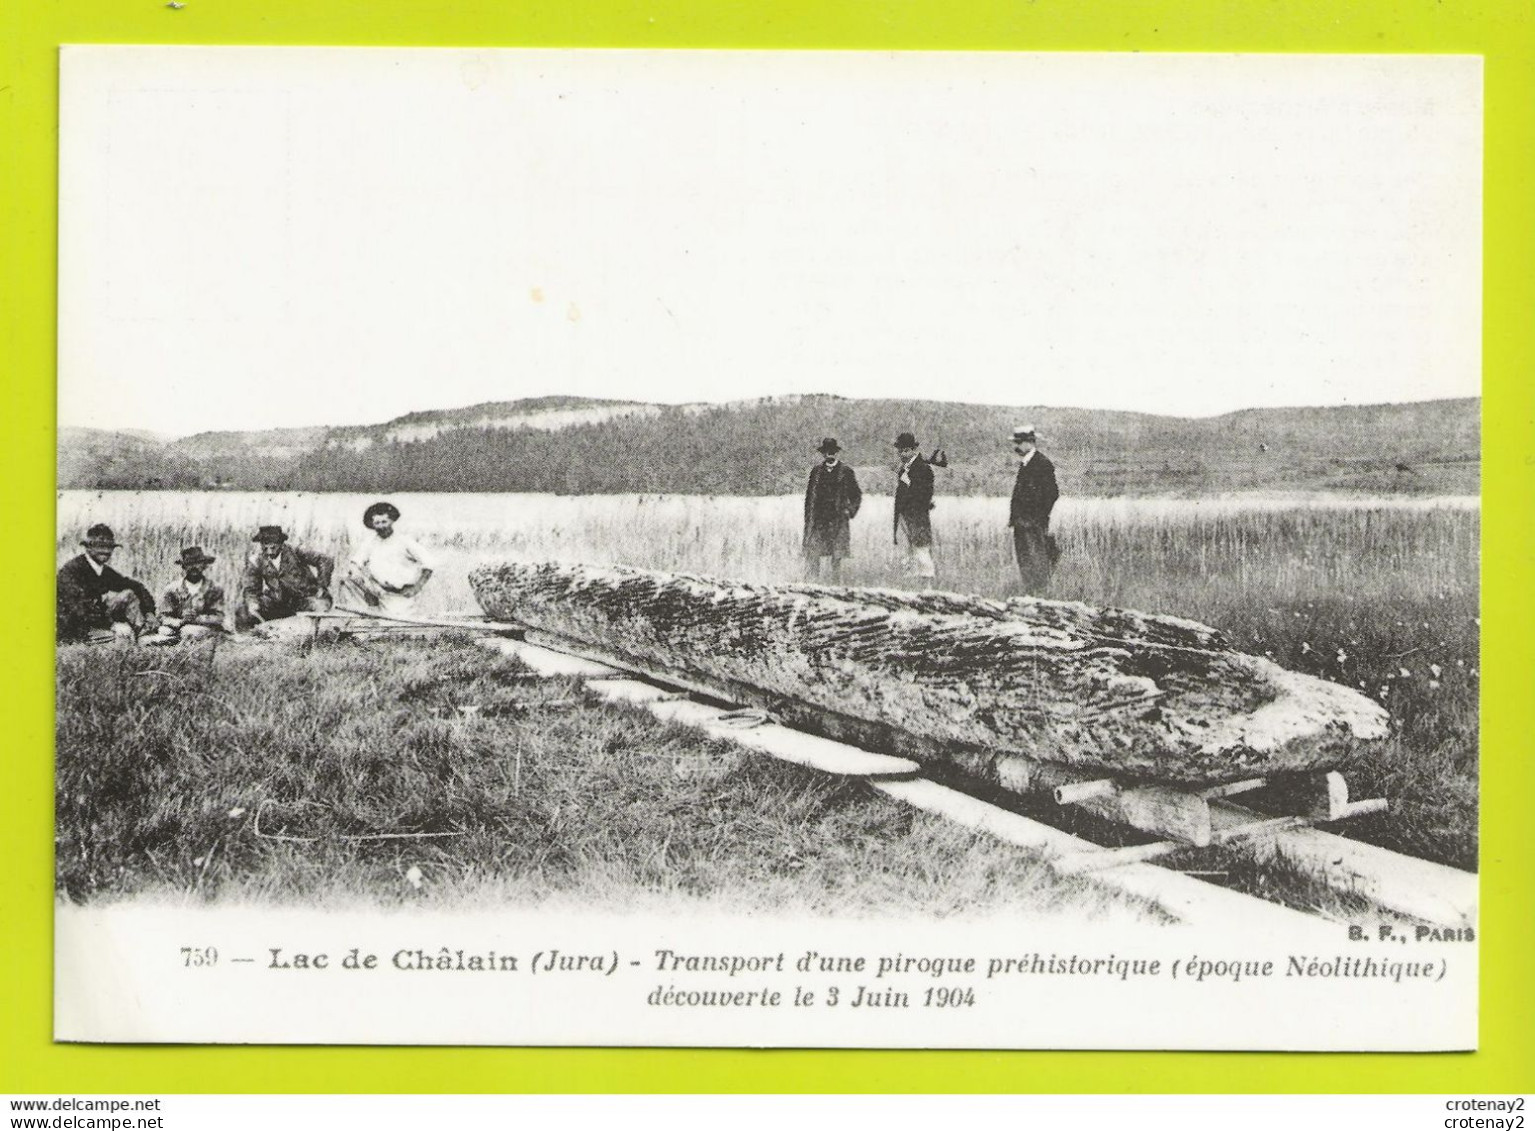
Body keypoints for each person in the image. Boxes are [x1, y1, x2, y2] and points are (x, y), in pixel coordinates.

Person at [56, 524, 158, 644]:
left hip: (97, 625)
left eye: (109, 547)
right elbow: (79, 609)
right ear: (88, 548)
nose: (105, 551)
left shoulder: (105, 572)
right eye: (99, 546)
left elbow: (136, 587)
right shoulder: (71, 571)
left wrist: (149, 612)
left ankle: (145, 635)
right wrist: (112, 623)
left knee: (128, 594)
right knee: (124, 636)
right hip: (76, 631)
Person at [338, 501, 437, 616]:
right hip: (378, 591)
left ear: (391, 521)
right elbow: (355, 562)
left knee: (395, 625)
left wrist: (417, 587)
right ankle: (370, 612)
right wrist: (365, 586)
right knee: (347, 579)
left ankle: (384, 616)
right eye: (377, 523)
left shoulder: (404, 541)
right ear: (372, 525)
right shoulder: (370, 542)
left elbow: (429, 563)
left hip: (399, 595)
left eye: (384, 522)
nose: (381, 526)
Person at [237, 525, 334, 631]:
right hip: (280, 603)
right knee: (243, 610)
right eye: (265, 547)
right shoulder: (256, 561)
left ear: (281, 544)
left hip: (307, 599)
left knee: (319, 614)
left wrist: (322, 586)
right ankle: (249, 641)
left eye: (273, 547)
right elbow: (251, 589)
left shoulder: (296, 552)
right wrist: (253, 603)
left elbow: (325, 560)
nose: (269, 552)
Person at [802, 438, 862, 582]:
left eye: (833, 452)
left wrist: (850, 511)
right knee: (813, 552)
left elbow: (856, 495)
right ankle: (812, 584)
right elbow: (809, 496)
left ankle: (835, 585)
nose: (830, 455)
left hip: (837, 519)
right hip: (819, 519)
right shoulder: (816, 472)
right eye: (827, 452)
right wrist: (808, 517)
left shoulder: (846, 472)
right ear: (823, 454)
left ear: (837, 453)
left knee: (836, 555)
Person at [1009, 424, 1060, 593]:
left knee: (1037, 562)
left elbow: (1052, 494)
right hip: (1022, 524)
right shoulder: (1026, 463)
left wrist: (1038, 518)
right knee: (1026, 562)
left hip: (1033, 524)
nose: (1016, 447)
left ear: (1029, 443)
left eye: (1018, 442)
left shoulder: (1042, 464)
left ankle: (1039, 598)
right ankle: (1031, 597)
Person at [147, 546, 227, 644]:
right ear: (183, 567)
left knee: (190, 631)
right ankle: (174, 640)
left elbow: (219, 617)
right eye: (189, 564)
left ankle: (178, 640)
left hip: (204, 627)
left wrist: (197, 619)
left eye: (198, 563)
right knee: (164, 631)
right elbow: (162, 616)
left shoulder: (214, 589)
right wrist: (180, 622)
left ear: (204, 565)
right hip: (177, 627)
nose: (194, 567)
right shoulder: (172, 589)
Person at [892, 431, 936, 583]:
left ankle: (927, 589)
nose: (903, 454)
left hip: (918, 518)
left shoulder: (924, 469)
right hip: (903, 518)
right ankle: (909, 590)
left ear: (913, 450)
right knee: (906, 554)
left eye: (906, 450)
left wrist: (909, 484)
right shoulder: (903, 470)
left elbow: (925, 496)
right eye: (900, 451)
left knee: (921, 551)